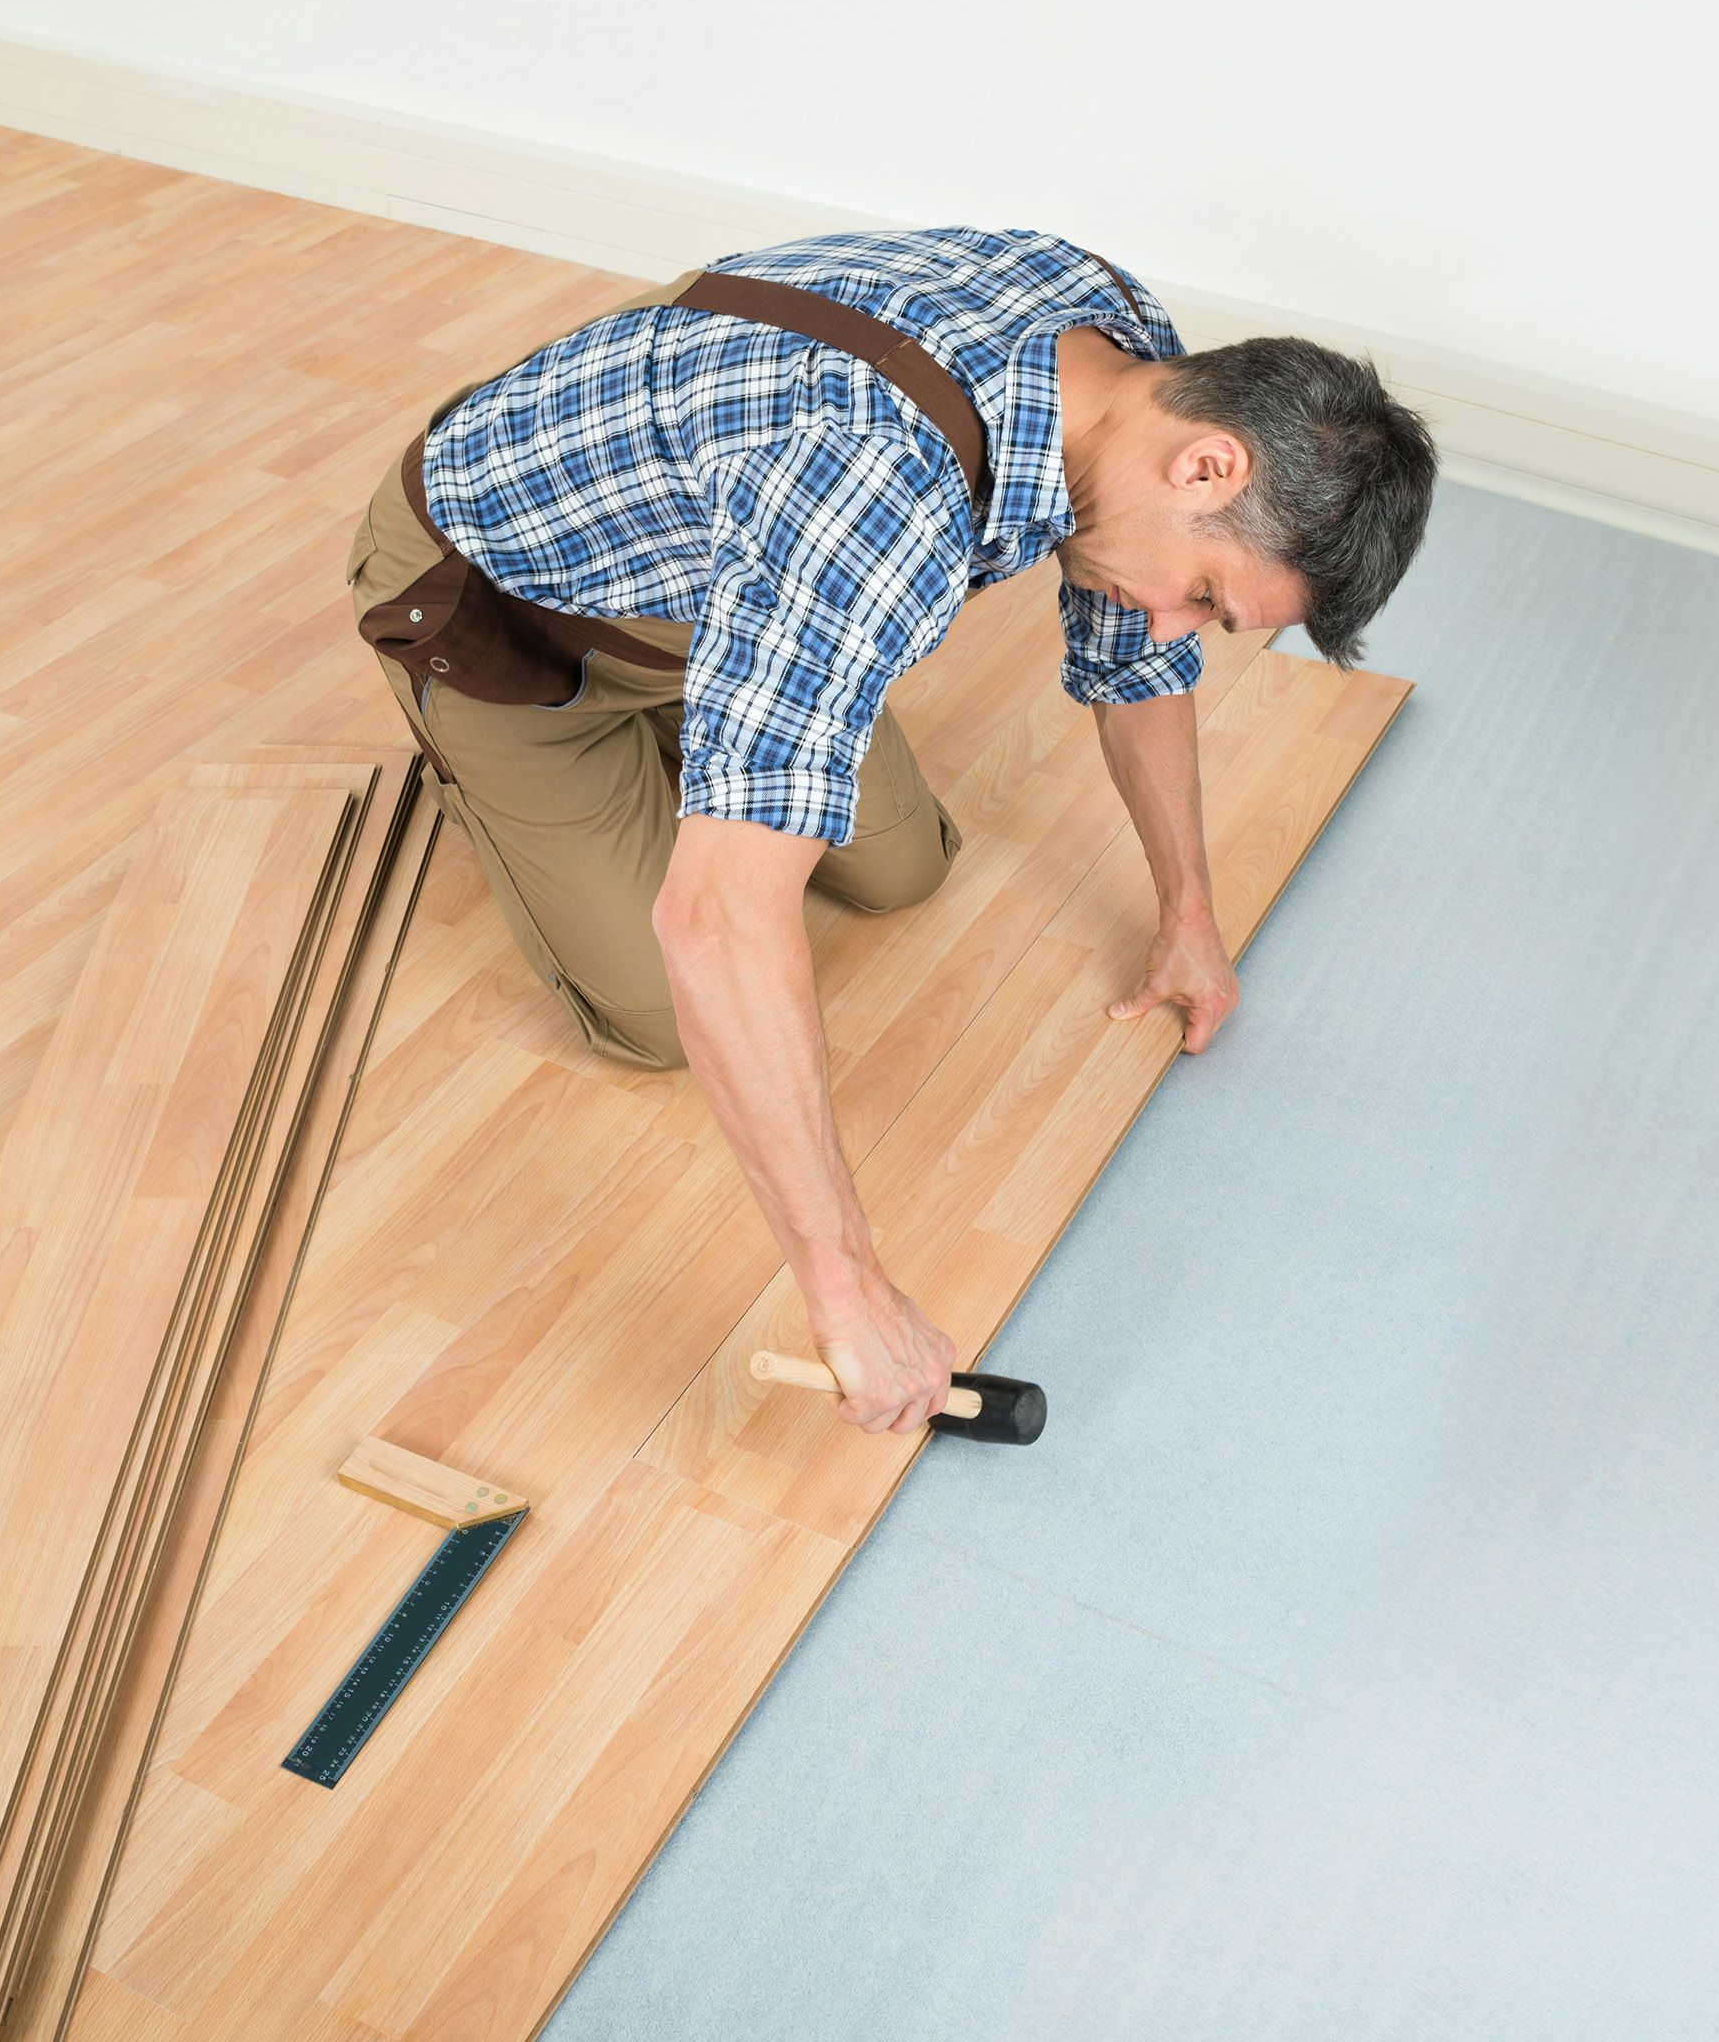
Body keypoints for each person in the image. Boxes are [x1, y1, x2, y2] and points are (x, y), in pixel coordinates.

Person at [346, 225, 1437, 1444]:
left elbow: (1132, 662)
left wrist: (1189, 910)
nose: (1179, 626)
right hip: (513, 605)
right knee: (662, 1004)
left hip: (723, 568)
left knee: (904, 865)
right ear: (1209, 467)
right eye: (1206, 598)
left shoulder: (1130, 368)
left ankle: (727, 734)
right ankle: (507, 759)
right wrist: (850, 1294)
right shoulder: (869, 498)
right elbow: (717, 924)